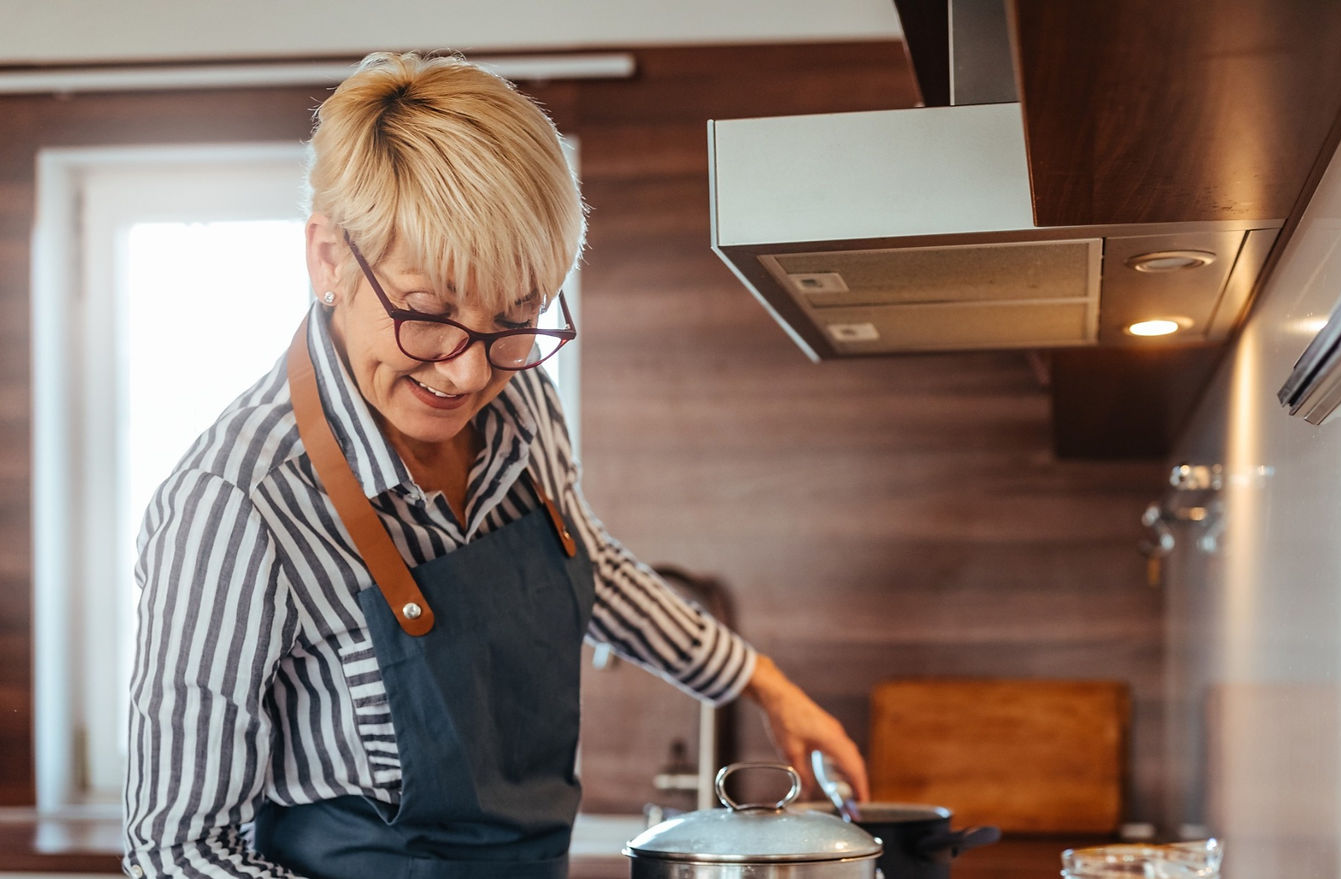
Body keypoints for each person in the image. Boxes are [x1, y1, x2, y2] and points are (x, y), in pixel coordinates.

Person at [121, 51, 867, 879]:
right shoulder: (232, 505)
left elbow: (587, 565)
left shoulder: (521, 402)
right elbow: (178, 853)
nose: (469, 372)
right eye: (428, 314)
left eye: (516, 316)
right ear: (328, 259)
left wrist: (761, 681)